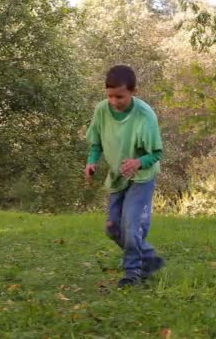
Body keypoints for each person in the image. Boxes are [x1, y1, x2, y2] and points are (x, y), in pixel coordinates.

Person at [84, 65, 165, 287]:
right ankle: (149, 258)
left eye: (119, 96)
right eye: (109, 96)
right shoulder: (102, 110)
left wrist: (138, 162)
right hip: (117, 176)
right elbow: (97, 143)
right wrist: (92, 162)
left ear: (133, 91)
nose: (114, 101)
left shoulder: (145, 115)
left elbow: (157, 153)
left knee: (131, 225)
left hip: (141, 177)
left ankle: (132, 274)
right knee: (112, 227)